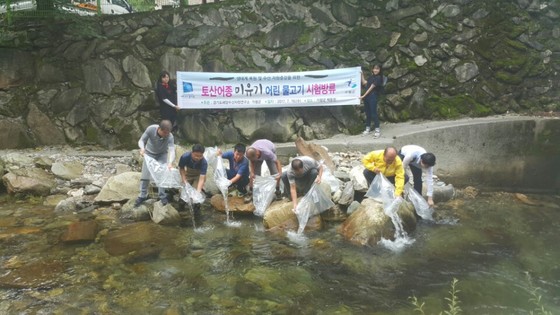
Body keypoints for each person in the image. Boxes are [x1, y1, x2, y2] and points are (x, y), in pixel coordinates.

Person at [134, 120, 175, 207]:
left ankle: (162, 196)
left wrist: (170, 162)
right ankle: (142, 195)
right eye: (165, 133)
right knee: (145, 176)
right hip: (149, 154)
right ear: (159, 129)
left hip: (162, 155)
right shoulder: (151, 129)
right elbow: (141, 140)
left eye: (168, 133)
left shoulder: (170, 136)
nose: (166, 135)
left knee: (162, 174)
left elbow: (172, 150)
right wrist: (142, 148)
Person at [360, 64, 384, 138]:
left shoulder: (379, 78)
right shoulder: (371, 77)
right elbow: (364, 83)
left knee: (373, 113)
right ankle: (367, 128)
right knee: (368, 113)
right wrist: (361, 74)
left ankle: (377, 130)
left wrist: (363, 95)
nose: (376, 70)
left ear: (380, 70)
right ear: (372, 69)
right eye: (374, 68)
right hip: (367, 97)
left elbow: (371, 87)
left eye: (377, 69)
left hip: (373, 96)